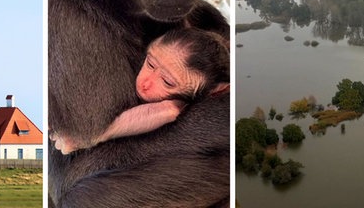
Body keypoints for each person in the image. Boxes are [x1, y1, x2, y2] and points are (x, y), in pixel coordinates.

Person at [50, 27, 230, 154]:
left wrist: (90, 137)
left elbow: (167, 111)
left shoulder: (177, 106)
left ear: (214, 92)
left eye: (167, 82)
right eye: (150, 63)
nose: (146, 82)